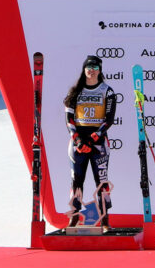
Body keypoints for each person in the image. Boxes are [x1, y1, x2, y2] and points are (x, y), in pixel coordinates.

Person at [63, 54, 116, 227]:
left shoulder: (107, 91)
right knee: (76, 180)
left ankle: (105, 219)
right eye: (89, 67)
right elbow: (69, 119)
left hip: (98, 144)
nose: (91, 71)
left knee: (101, 181)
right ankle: (75, 216)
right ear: (84, 70)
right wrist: (78, 140)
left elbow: (108, 119)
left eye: (95, 68)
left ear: (100, 70)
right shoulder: (75, 91)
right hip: (78, 143)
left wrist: (93, 139)